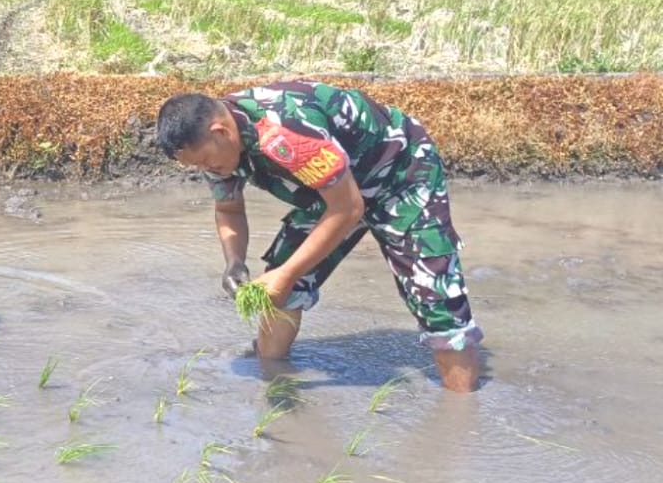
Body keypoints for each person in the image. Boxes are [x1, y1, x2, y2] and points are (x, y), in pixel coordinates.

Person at [155, 81, 482, 393]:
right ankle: (270, 381)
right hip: (329, 191)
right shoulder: (220, 153)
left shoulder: (283, 133)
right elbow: (229, 211)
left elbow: (349, 209)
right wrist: (234, 261)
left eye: (204, 161)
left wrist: (288, 274)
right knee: (280, 283)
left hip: (400, 174)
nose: (207, 169)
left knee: (436, 298)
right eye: (196, 165)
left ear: (220, 132)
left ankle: (460, 418)